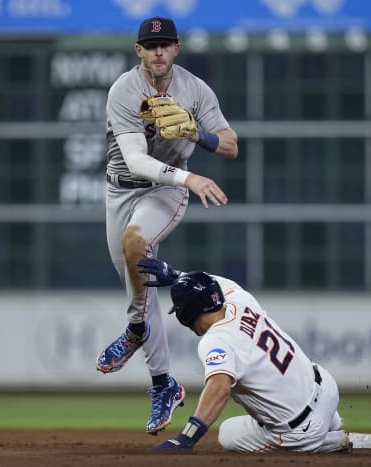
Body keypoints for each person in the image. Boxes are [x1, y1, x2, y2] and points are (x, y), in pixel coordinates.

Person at [96, 15, 239, 436]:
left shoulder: (194, 89)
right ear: (138, 50)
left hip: (165, 194)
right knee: (139, 276)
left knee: (135, 243)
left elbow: (230, 145)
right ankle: (164, 384)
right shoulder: (124, 89)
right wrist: (191, 177)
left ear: (176, 48)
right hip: (121, 190)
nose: (159, 51)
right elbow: (137, 160)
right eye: (150, 45)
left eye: (167, 44)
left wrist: (197, 133)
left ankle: (136, 329)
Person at [135, 257, 351, 453]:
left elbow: (219, 389)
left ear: (187, 314)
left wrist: (186, 438)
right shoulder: (241, 301)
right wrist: (176, 276)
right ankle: (331, 424)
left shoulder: (216, 340)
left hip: (301, 430)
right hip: (326, 389)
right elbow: (213, 282)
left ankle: (328, 441)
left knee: (228, 434)